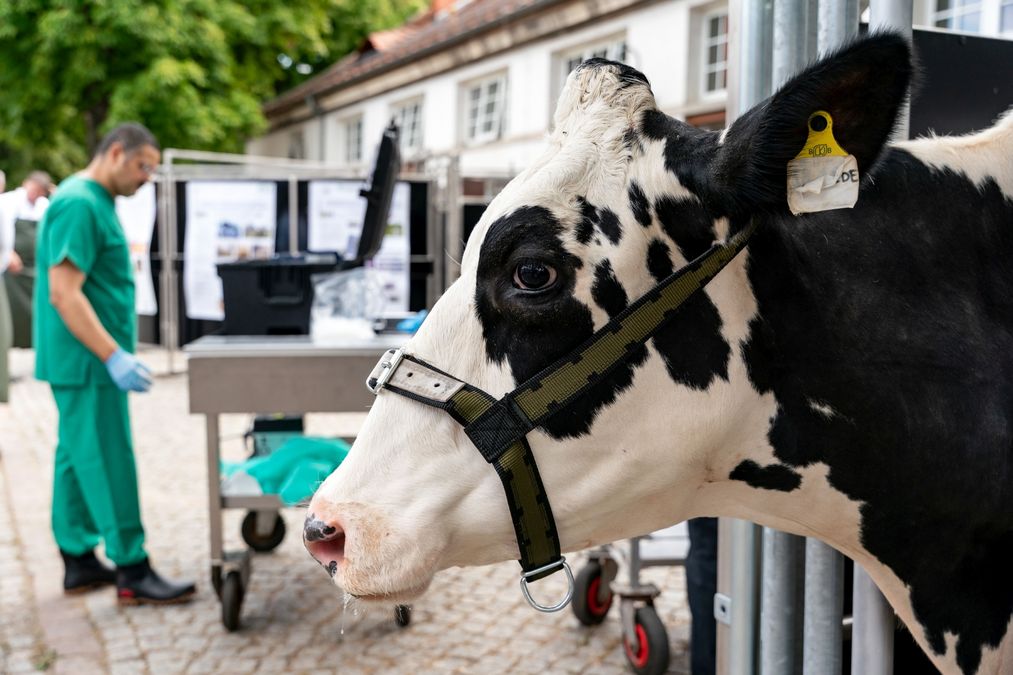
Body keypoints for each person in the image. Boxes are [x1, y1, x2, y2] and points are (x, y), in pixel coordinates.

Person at [33, 122, 195, 604]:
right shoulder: (80, 203)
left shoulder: (93, 200)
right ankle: (132, 567)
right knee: (107, 458)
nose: (148, 177)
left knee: (75, 458)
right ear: (117, 153)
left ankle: (78, 558)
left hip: (85, 363)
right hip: (89, 364)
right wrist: (113, 355)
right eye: (144, 165)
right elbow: (64, 292)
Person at [0, 171, 54, 401]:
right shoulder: (9, 202)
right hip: (13, 270)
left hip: (35, 269)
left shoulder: (44, 205)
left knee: (42, 316)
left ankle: (44, 361)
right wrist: (8, 253)